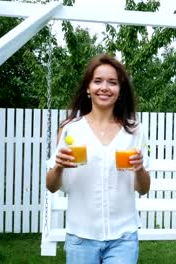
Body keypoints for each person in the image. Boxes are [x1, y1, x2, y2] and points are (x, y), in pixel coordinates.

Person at [46, 53, 151, 264]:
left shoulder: (135, 131)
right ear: (88, 88)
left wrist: (139, 169)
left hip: (123, 238)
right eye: (98, 81)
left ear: (120, 91)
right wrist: (58, 166)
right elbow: (51, 186)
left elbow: (143, 188)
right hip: (80, 237)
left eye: (112, 82)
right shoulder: (70, 129)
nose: (105, 87)